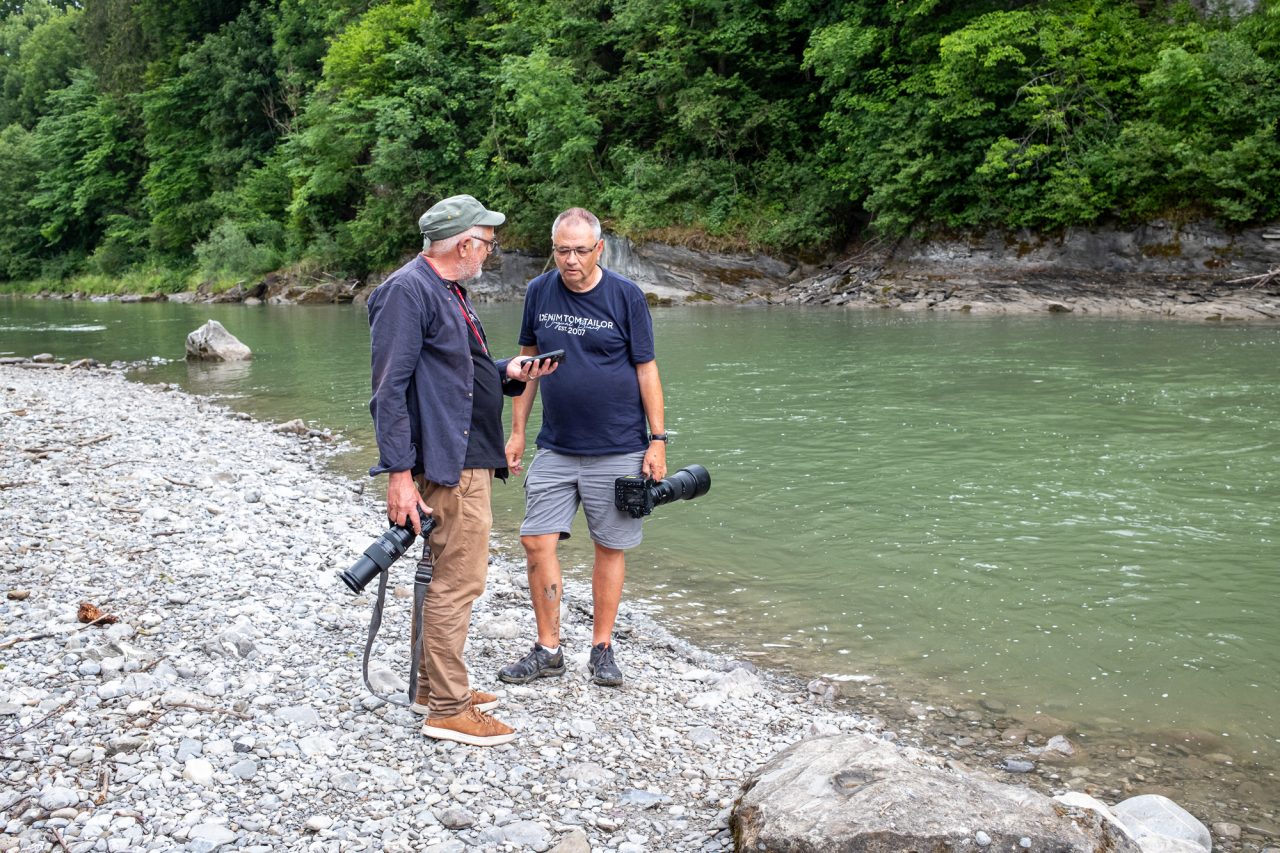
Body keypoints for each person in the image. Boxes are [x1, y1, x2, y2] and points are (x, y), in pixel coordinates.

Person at [367, 194, 558, 746]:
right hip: (449, 462)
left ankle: (432, 687)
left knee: (442, 576)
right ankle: (449, 708)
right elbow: (388, 393)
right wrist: (399, 475)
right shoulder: (407, 292)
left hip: (465, 453)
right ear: (465, 244)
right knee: (458, 581)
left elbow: (457, 375)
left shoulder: (446, 290)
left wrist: (507, 371)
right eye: (488, 241)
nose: (491, 250)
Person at [500, 207, 667, 688]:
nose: (569, 260)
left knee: (610, 547)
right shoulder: (539, 291)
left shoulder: (625, 296)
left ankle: (602, 647)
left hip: (618, 446)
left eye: (579, 251)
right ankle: (549, 648)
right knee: (535, 540)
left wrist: (657, 441)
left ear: (599, 249)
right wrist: (515, 431)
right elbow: (525, 366)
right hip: (557, 444)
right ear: (552, 249)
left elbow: (646, 370)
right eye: (561, 250)